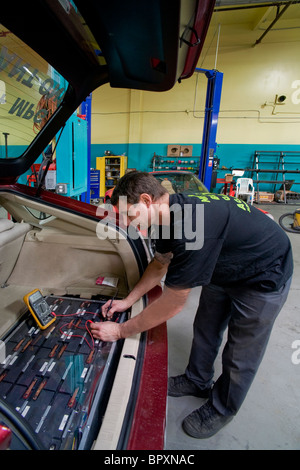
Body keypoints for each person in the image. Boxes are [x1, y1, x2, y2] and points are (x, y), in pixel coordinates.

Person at [90, 171, 293, 439]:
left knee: (241, 351)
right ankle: (197, 380)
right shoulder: (166, 216)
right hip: (224, 265)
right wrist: (128, 300)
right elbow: (160, 263)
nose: (128, 222)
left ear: (147, 200)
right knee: (206, 326)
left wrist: (119, 331)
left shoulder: (189, 229)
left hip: (263, 273)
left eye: (129, 214)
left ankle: (222, 408)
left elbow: (173, 303)